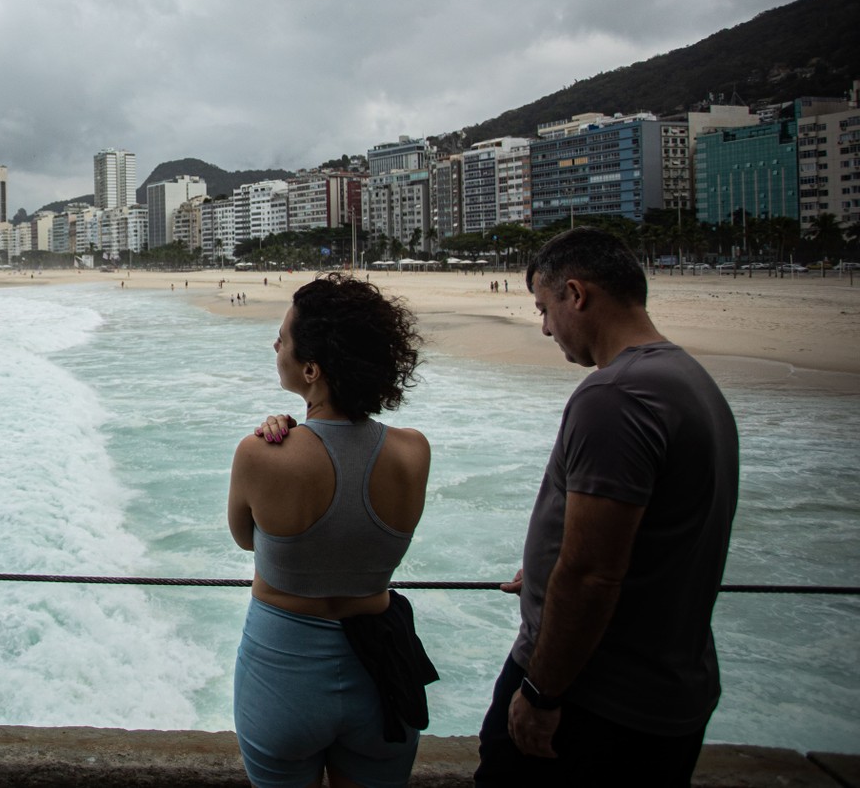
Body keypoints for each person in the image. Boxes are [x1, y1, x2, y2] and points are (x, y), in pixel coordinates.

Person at [474, 227, 739, 786]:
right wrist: (545, 570)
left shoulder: (616, 396)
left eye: (545, 308)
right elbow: (651, 533)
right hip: (666, 690)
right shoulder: (689, 380)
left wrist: (541, 693)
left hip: (595, 701)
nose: (545, 326)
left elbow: (593, 574)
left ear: (577, 294)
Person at [228, 274, 434, 788]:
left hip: (283, 672)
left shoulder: (261, 453)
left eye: (284, 338)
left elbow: (249, 540)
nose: (276, 345)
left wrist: (290, 434)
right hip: (381, 674)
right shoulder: (413, 452)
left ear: (311, 368)